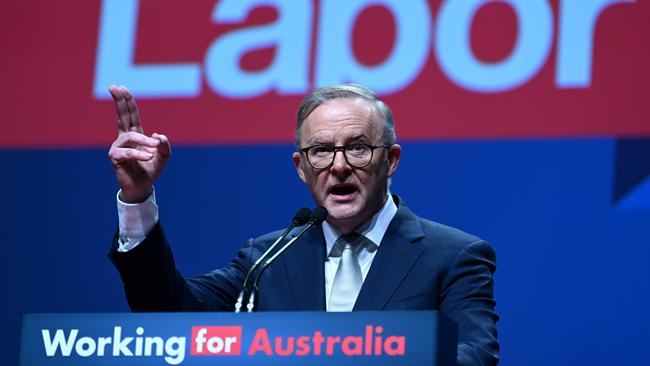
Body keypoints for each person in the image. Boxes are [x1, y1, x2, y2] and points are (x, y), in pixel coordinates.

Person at [107, 83, 499, 365]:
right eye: (321, 151)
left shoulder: (451, 255)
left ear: (391, 159)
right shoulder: (267, 259)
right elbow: (170, 314)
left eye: (358, 147)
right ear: (301, 168)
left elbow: (474, 356)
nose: (339, 166)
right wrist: (138, 197)